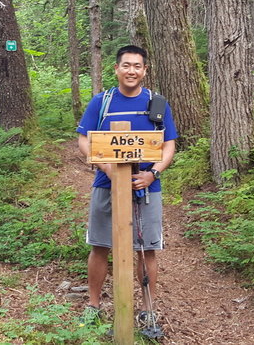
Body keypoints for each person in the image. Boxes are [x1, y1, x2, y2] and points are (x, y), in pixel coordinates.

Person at [76, 45, 178, 333]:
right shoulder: (102, 101)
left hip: (146, 189)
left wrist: (153, 174)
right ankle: (93, 306)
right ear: (117, 68)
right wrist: (105, 167)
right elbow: (84, 140)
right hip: (105, 186)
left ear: (145, 70)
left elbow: (168, 144)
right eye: (126, 65)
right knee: (99, 245)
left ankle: (147, 311)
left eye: (137, 66)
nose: (131, 70)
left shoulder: (157, 103)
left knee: (146, 250)